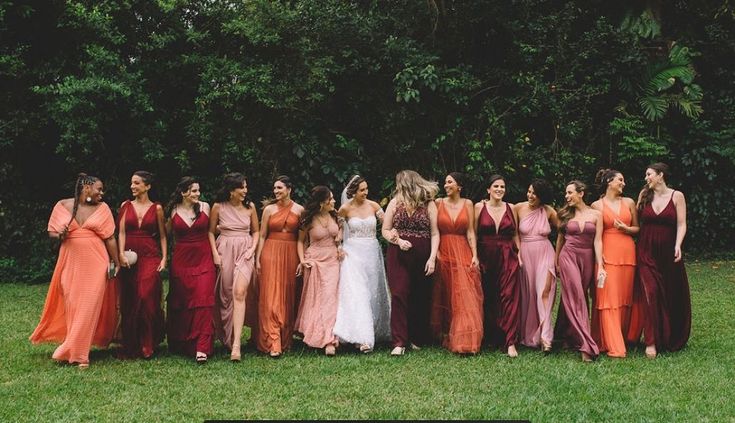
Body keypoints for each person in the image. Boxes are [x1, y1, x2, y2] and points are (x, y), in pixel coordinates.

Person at [30, 173, 120, 368]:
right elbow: (51, 233)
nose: (101, 193)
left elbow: (110, 238)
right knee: (73, 303)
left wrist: (117, 261)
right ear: (86, 188)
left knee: (89, 305)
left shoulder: (102, 208)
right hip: (70, 261)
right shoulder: (62, 206)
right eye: (99, 189)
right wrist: (59, 234)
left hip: (96, 262)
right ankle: (74, 344)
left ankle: (79, 354)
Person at [635, 163, 691, 358]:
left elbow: (682, 224)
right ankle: (650, 342)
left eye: (649, 174)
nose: (646, 178)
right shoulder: (643, 196)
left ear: (661, 175)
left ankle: (668, 335)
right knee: (650, 291)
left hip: (668, 251)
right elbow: (634, 221)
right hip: (645, 251)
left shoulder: (677, 196)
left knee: (669, 292)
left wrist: (678, 245)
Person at [382, 170, 439, 356]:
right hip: (398, 254)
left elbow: (435, 233)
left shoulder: (429, 204)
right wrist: (397, 241)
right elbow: (385, 229)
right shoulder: (394, 203)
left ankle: (415, 337)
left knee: (419, 295)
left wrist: (432, 258)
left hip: (422, 254)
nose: (397, 187)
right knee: (399, 293)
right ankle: (399, 341)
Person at [333, 175, 391, 353]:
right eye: (361, 190)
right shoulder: (344, 209)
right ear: (353, 192)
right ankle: (363, 338)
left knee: (373, 292)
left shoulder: (374, 206)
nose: (365, 192)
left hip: (372, 253)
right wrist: (339, 246)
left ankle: (372, 330)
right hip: (353, 253)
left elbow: (387, 223)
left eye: (366, 189)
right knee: (359, 294)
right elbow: (339, 232)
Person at [431, 172, 484, 354]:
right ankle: (446, 334)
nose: (446, 185)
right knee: (445, 293)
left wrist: (474, 254)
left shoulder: (467, 204)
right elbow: (434, 231)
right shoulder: (438, 203)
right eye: (445, 182)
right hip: (443, 250)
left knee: (463, 294)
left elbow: (470, 231)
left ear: (459, 186)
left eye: (450, 182)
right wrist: (436, 252)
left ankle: (465, 339)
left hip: (462, 250)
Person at [208, 173, 260, 362]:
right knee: (225, 296)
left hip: (245, 251)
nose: (246, 190)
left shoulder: (250, 207)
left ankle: (236, 345)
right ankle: (227, 337)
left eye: (246, 187)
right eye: (242, 187)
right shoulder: (218, 207)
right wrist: (215, 253)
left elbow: (256, 231)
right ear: (232, 191)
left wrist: (252, 250)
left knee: (239, 293)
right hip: (225, 250)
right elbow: (211, 232)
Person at [165, 177, 217, 363]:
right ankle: (183, 343)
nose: (197, 194)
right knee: (183, 300)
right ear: (183, 192)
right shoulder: (173, 210)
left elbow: (212, 231)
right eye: (194, 191)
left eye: (198, 190)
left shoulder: (205, 207)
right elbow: (167, 234)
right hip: (182, 259)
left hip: (204, 257)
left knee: (204, 300)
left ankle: (202, 347)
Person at [117, 170, 167, 359]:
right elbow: (120, 232)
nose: (132, 186)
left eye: (136, 183)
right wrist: (120, 254)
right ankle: (131, 342)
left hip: (149, 254)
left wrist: (164, 258)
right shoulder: (125, 205)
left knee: (146, 295)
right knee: (130, 298)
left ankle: (148, 342)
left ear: (147, 186)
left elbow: (162, 235)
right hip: (129, 254)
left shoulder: (157, 209)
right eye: (131, 183)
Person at [590, 169, 639, 358]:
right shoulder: (597, 205)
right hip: (607, 254)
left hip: (627, 254)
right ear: (609, 182)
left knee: (624, 298)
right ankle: (614, 345)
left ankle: (622, 336)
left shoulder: (629, 202)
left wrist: (626, 228)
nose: (623, 183)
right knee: (608, 299)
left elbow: (637, 228)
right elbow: (597, 236)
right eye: (620, 180)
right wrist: (598, 257)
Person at [553, 180, 604, 362]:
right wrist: (556, 262)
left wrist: (601, 265)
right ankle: (586, 346)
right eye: (566, 194)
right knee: (577, 299)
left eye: (570, 193)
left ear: (581, 193)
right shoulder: (565, 215)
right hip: (568, 257)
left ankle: (566, 336)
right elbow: (560, 240)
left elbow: (598, 241)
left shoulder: (597, 215)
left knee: (578, 295)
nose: (567, 197)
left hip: (587, 259)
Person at [255, 175, 303, 358]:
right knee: (270, 296)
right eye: (274, 188)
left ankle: (285, 337)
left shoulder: (300, 210)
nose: (276, 191)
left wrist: (301, 260)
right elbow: (261, 235)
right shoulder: (268, 210)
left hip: (290, 253)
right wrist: (258, 257)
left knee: (286, 295)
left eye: (279, 188)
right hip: (271, 251)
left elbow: (302, 240)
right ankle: (273, 340)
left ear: (289, 189)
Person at [475, 175, 521, 357]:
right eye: (496, 186)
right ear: (488, 189)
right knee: (487, 295)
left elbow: (516, 234)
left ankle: (510, 342)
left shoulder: (512, 208)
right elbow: (473, 233)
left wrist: (520, 254)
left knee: (508, 295)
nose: (500, 189)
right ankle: (490, 336)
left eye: (502, 186)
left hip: (508, 254)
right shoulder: (479, 207)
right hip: (485, 254)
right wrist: (475, 256)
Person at [294, 186, 342, 355]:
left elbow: (339, 236)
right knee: (317, 300)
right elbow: (300, 242)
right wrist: (302, 260)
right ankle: (321, 336)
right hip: (315, 260)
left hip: (333, 260)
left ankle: (330, 338)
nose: (334, 201)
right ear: (322, 203)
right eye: (331, 199)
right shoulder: (308, 219)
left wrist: (340, 244)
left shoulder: (335, 216)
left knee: (331, 298)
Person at [515, 179, 559, 352]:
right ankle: (529, 334)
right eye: (529, 191)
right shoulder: (518, 208)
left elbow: (564, 227)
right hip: (525, 253)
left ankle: (546, 337)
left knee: (544, 292)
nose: (530, 195)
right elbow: (512, 231)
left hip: (545, 253)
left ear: (542, 196)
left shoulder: (548, 211)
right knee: (529, 294)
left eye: (535, 193)